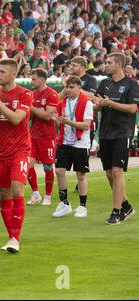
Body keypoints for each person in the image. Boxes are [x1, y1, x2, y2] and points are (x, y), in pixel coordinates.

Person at [0, 58, 33, 253]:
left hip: (20, 150)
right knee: (4, 195)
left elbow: (16, 119)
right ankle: (11, 236)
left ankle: (15, 238)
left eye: (2, 72)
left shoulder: (24, 94)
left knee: (17, 191)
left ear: (13, 74)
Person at [93, 53, 138, 225]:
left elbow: (133, 108)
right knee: (110, 173)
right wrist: (97, 104)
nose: (106, 65)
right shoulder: (104, 83)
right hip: (105, 133)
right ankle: (126, 205)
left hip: (122, 132)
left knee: (117, 171)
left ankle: (116, 212)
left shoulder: (131, 84)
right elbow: (97, 107)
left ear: (119, 64)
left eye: (109, 62)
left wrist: (109, 103)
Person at [51, 75, 93, 219]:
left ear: (79, 87)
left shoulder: (86, 103)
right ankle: (64, 203)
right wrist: (56, 121)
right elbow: (58, 125)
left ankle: (82, 206)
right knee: (59, 170)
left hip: (81, 143)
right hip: (64, 142)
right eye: (66, 87)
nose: (68, 90)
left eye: (71, 87)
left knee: (80, 174)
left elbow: (86, 125)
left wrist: (68, 122)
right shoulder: (62, 103)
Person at [26, 68, 59, 206]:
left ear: (42, 80)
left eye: (34, 79)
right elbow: (31, 116)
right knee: (28, 164)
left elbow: (47, 115)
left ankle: (48, 196)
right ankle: (35, 194)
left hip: (47, 136)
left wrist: (31, 107)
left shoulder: (52, 94)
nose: (31, 81)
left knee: (47, 167)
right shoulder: (32, 95)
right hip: (33, 135)